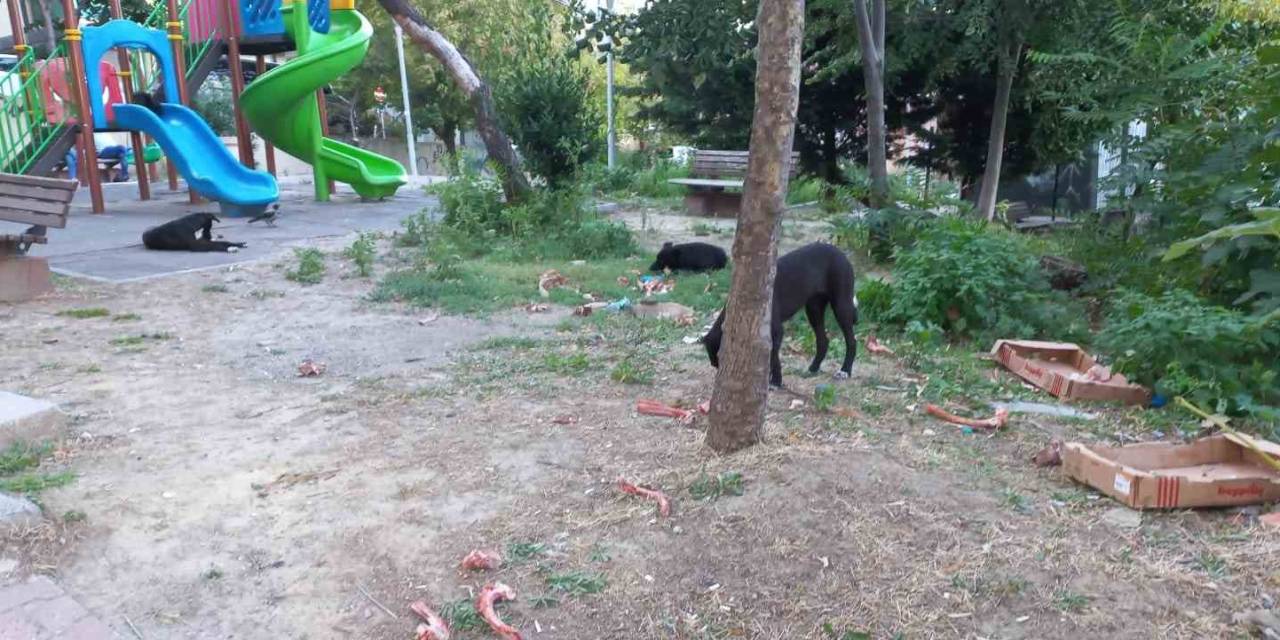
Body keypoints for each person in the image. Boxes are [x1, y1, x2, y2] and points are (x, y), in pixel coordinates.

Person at [65, 132, 130, 182]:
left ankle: (121, 171)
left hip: (114, 149)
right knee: (122, 148)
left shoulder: (103, 131)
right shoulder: (88, 132)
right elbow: (83, 147)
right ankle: (124, 174)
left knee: (126, 150)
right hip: (104, 151)